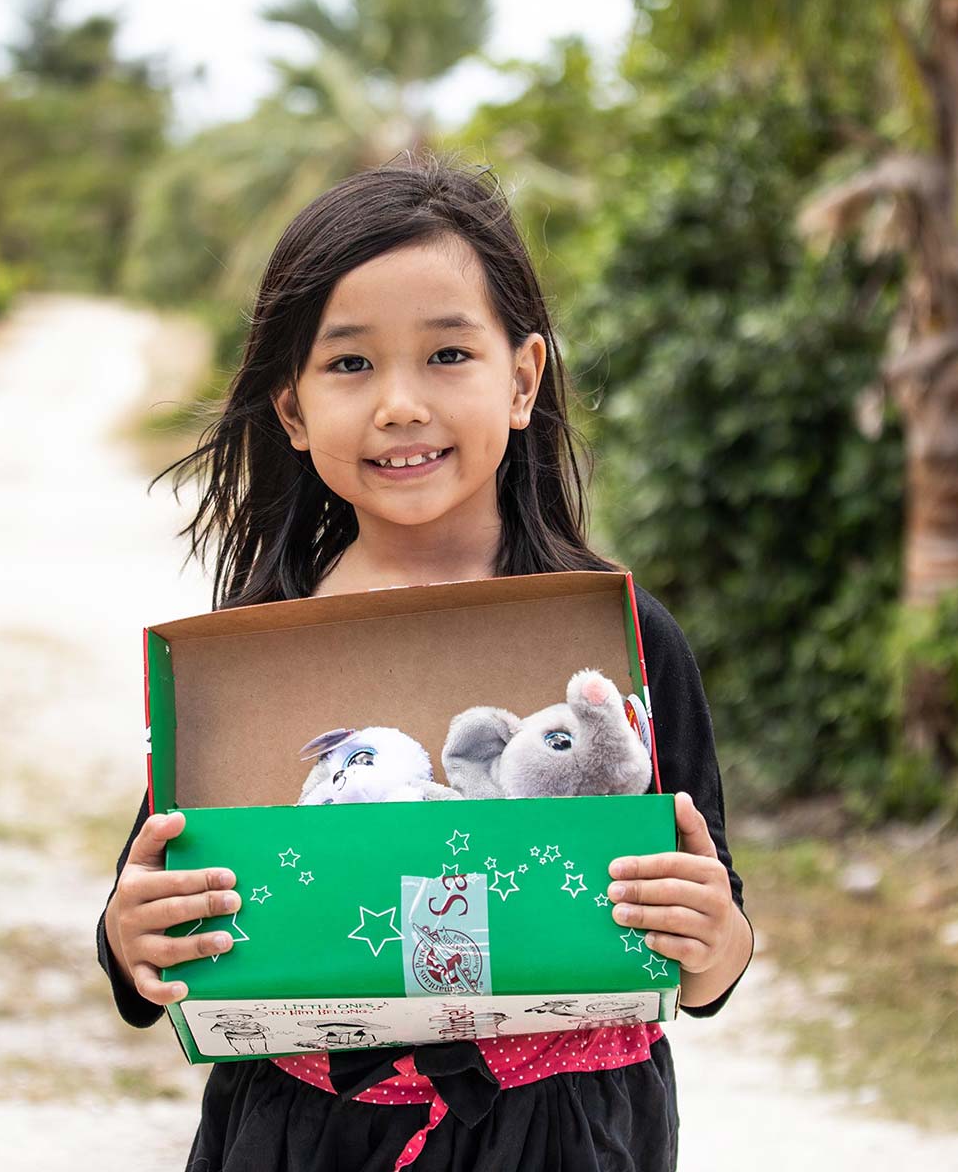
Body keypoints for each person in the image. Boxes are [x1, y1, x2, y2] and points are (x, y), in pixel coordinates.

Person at [96, 151, 755, 1170]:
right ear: (293, 409)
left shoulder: (623, 641)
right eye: (351, 363)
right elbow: (156, 913)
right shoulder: (254, 655)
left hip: (566, 1137)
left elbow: (714, 939)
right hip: (306, 1135)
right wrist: (134, 941)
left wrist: (715, 943)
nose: (400, 403)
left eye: (448, 354)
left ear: (523, 377)